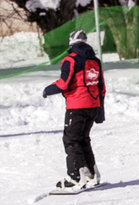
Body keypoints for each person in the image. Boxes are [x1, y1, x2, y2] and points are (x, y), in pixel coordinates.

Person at [43, 30, 106, 190]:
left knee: (71, 140)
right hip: (93, 105)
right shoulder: (95, 60)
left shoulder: (71, 60)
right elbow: (101, 86)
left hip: (77, 106)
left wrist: (48, 89)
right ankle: (91, 173)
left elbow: (64, 83)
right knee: (83, 139)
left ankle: (76, 177)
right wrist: (100, 109)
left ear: (71, 41)